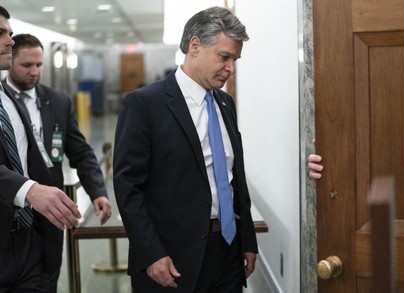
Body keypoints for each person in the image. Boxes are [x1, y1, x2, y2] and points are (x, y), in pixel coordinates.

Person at [113, 6, 258, 293]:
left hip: (227, 253)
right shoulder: (145, 104)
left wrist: (248, 241)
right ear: (195, 46)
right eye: (225, 57)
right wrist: (151, 253)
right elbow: (128, 187)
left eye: (235, 59)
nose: (231, 68)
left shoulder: (225, 104)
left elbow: (234, 180)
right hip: (170, 258)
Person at [4, 33, 112, 293]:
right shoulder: (3, 103)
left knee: (47, 279)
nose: (34, 72)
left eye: (39, 65)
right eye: (26, 65)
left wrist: (97, 190)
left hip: (50, 214)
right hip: (10, 214)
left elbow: (81, 152)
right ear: (10, 62)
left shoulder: (58, 102)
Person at [0, 6, 81, 292]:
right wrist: (29, 190)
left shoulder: (9, 101)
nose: (10, 40)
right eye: (1, 33)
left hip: (26, 241)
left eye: (10, 33)